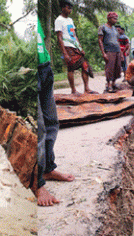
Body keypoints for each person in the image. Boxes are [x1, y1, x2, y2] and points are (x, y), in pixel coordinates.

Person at [37, 17, 75, 206]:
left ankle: (48, 168)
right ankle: (38, 184)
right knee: (40, 129)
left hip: (44, 67)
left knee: (51, 122)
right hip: (33, 71)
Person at [55, 0, 96, 95]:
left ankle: (86, 89)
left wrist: (80, 47)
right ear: (62, 8)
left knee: (85, 65)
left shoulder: (70, 20)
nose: (70, 10)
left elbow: (74, 35)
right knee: (71, 68)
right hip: (67, 47)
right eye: (68, 8)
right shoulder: (59, 20)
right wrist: (64, 53)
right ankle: (73, 90)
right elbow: (59, 38)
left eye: (71, 8)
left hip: (75, 47)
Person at [98, 12, 121, 93]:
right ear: (109, 18)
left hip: (117, 50)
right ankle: (109, 85)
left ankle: (114, 83)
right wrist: (103, 53)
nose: (115, 20)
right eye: (114, 18)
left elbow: (117, 41)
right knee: (109, 68)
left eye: (116, 18)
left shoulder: (115, 29)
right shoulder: (103, 27)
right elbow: (100, 41)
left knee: (117, 68)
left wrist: (120, 53)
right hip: (109, 50)